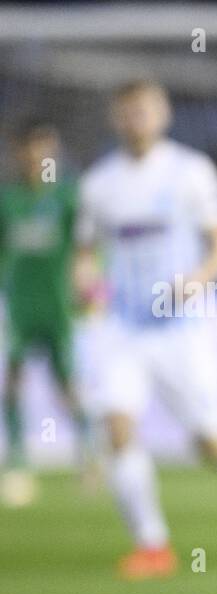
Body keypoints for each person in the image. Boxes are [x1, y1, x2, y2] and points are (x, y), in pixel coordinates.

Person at [76, 80, 217, 578]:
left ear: (163, 113)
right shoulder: (99, 184)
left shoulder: (190, 171)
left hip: (180, 330)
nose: (136, 120)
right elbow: (84, 256)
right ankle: (153, 545)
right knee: (118, 428)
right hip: (122, 329)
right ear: (116, 118)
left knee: (209, 443)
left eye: (144, 110)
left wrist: (197, 279)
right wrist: (88, 289)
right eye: (127, 112)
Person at [0, 121, 89, 506]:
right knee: (14, 380)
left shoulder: (69, 198)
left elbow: (87, 249)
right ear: (20, 152)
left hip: (58, 308)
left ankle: (88, 454)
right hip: (19, 306)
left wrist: (88, 287)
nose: (38, 157)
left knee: (66, 385)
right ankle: (18, 460)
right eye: (31, 149)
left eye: (45, 148)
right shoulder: (8, 199)